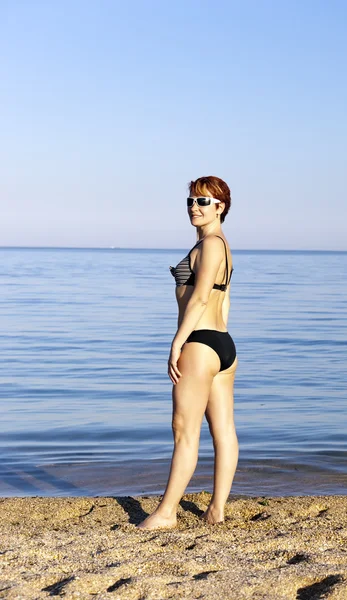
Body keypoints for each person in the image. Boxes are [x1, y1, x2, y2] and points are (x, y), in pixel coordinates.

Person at [137, 175, 238, 530]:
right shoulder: (222, 245)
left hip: (199, 344)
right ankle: (216, 509)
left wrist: (178, 342)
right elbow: (223, 302)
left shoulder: (211, 244)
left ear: (220, 206)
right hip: (222, 345)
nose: (195, 207)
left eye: (203, 202)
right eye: (191, 202)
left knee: (184, 430)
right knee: (223, 429)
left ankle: (166, 513)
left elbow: (200, 298)